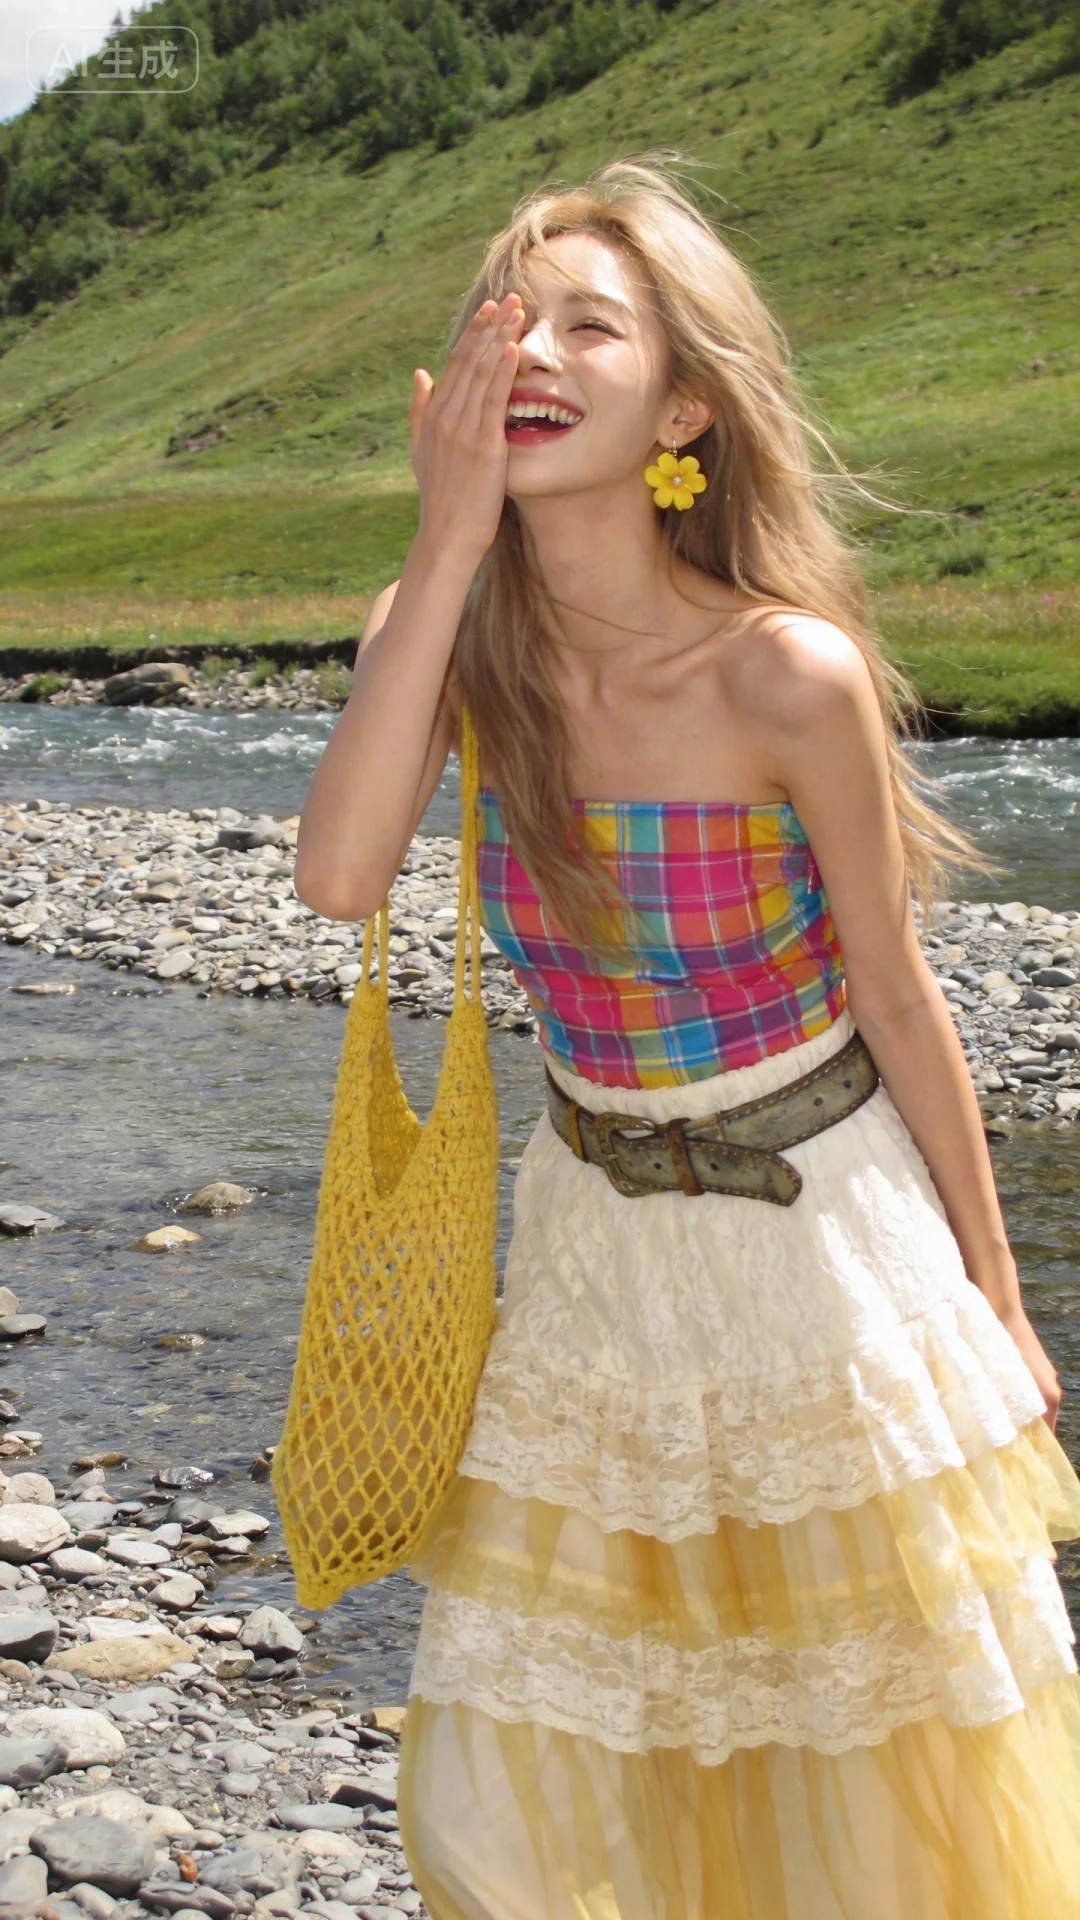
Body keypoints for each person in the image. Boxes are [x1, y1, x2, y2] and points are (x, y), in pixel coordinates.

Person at [294, 155, 1080, 1919]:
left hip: (823, 1244)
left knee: (877, 1768)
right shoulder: (439, 634)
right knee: (541, 1774)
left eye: (594, 326)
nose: (537, 352)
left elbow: (897, 992)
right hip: (587, 1239)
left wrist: (1000, 1293)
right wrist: (444, 541)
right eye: (513, 320)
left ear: (684, 410)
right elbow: (338, 879)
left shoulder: (782, 672)